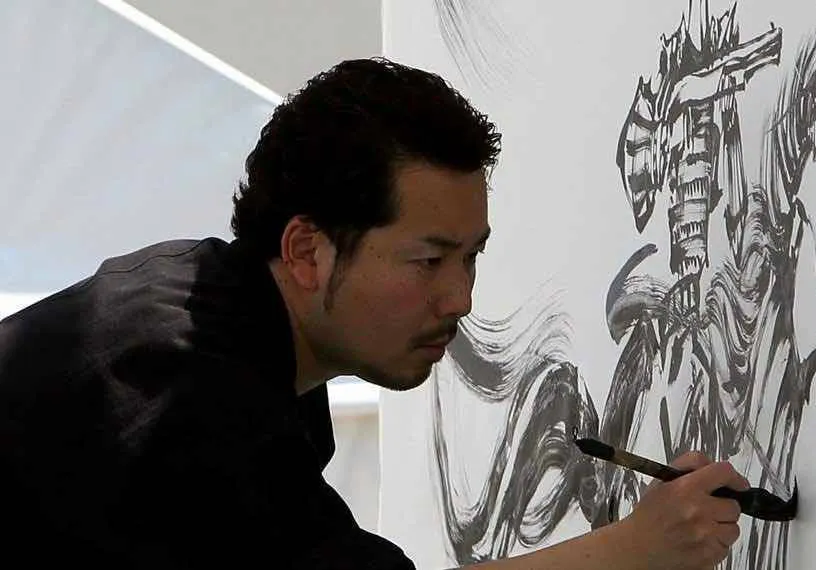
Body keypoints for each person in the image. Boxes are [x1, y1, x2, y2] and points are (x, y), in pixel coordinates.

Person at [0, 57, 750, 569]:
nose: (460, 299)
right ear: (307, 251)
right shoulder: (188, 391)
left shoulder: (217, 305)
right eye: (428, 261)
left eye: (472, 257)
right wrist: (638, 547)